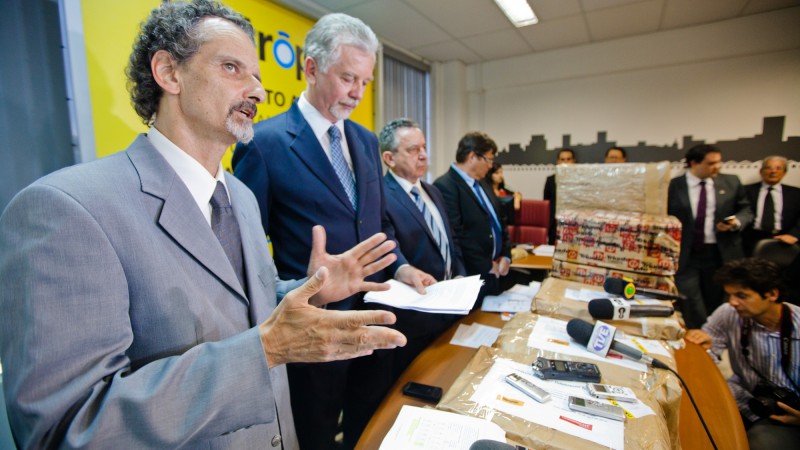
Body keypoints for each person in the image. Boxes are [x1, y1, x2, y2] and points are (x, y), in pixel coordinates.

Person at [0, 1, 407, 449]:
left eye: (256, 75)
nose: (254, 89)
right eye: (232, 68)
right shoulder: (66, 210)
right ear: (169, 73)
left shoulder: (243, 199)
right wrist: (265, 351)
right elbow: (67, 430)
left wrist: (309, 289)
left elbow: (241, 306)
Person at [231, 13, 433, 449]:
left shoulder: (363, 140)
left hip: (375, 315)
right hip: (313, 330)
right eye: (347, 78)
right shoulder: (262, 143)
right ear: (310, 68)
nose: (358, 93)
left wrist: (400, 269)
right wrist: (296, 290)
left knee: (369, 424)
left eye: (365, 81)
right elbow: (243, 249)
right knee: (318, 435)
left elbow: (376, 224)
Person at [379, 118, 467, 379]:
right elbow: (387, 245)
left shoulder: (432, 191)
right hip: (416, 319)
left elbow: (451, 240)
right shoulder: (382, 196)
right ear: (389, 158)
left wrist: (460, 276)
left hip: (449, 308)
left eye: (424, 147)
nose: (423, 155)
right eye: (413, 149)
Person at [685, 258, 800, 450]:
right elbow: (709, 347)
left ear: (772, 294)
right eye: (729, 295)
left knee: (760, 442)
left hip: (789, 416)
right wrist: (704, 345)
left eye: (741, 295)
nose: (733, 303)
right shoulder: (729, 313)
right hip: (745, 397)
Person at [667, 144, 753, 328]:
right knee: (690, 298)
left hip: (719, 252)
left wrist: (735, 222)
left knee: (715, 296)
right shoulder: (673, 186)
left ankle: (714, 333)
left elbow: (746, 209)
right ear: (694, 163)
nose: (717, 167)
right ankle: (700, 335)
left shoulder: (731, 183)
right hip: (686, 253)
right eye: (711, 163)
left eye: (718, 162)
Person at [434, 131, 511, 304]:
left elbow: (499, 220)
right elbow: (457, 234)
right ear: (471, 156)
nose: (491, 165)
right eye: (488, 159)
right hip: (472, 274)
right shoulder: (445, 186)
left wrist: (506, 255)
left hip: (496, 272)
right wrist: (486, 264)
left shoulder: (483, 182)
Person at [744, 156, 800, 254]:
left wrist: (793, 235)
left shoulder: (796, 193)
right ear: (761, 171)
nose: (773, 171)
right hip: (751, 240)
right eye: (768, 168)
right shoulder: (745, 191)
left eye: (778, 168)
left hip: (785, 240)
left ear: (785, 172)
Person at [543, 148, 576, 245]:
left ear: (573, 161)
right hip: (555, 224)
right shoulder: (550, 180)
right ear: (557, 162)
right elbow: (547, 203)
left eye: (568, 159)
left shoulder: (580, 180)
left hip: (574, 223)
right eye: (562, 159)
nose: (565, 162)